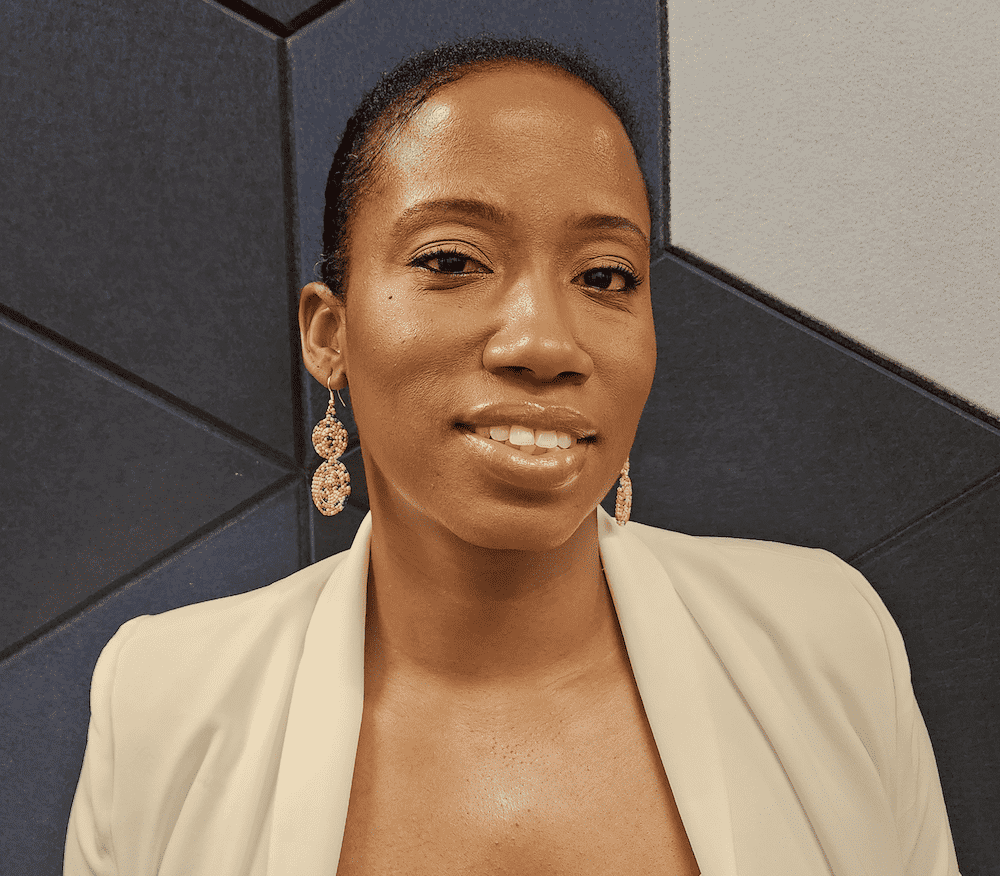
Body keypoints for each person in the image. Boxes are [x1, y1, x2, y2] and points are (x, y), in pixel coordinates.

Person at [64, 37, 960, 875]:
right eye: (452, 260)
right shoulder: (161, 702)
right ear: (329, 334)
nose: (543, 341)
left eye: (606, 276)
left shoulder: (830, 642)